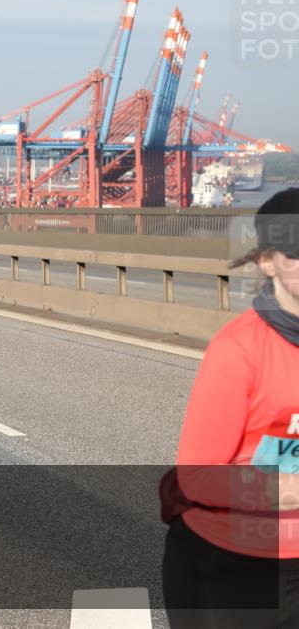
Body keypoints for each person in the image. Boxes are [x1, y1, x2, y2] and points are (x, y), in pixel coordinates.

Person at [163, 188, 299, 628]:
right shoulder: (238, 350)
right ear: (266, 261)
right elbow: (197, 476)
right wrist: (287, 490)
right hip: (230, 566)